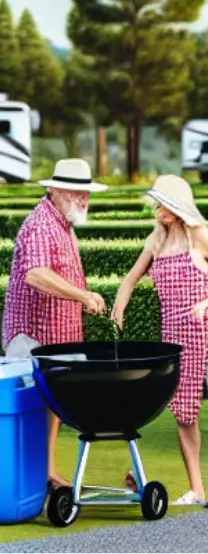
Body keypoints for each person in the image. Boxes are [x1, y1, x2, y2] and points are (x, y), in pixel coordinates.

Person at [110, 174, 208, 508]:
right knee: (183, 412)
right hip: (175, 334)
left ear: (177, 206)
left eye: (162, 204)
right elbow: (130, 278)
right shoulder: (156, 240)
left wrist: (206, 303)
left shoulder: (201, 236)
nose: (157, 210)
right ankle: (196, 490)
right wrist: (118, 308)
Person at [1, 158, 108, 488]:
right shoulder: (40, 225)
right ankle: (25, 481)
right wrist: (82, 295)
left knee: (50, 410)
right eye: (77, 193)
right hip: (33, 338)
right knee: (28, 411)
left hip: (54, 338)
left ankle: (45, 474)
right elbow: (36, 275)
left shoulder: (61, 223)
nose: (83, 199)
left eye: (86, 193)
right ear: (55, 190)